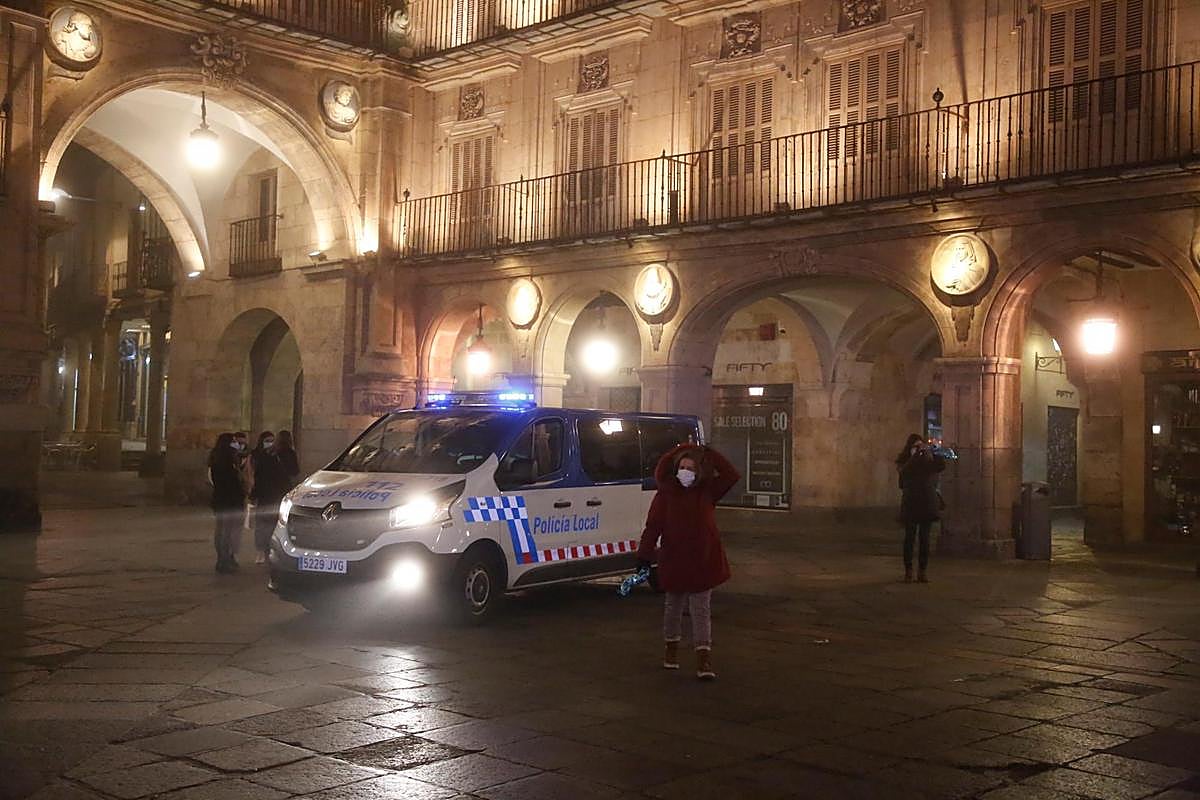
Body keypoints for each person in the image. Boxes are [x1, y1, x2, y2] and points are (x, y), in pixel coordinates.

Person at [637, 443, 740, 680]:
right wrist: (644, 554)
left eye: (690, 467)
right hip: (674, 557)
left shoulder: (707, 492)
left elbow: (731, 475)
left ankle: (704, 657)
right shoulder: (666, 493)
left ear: (698, 472)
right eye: (682, 467)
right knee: (673, 606)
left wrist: (709, 452)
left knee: (700, 609)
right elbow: (653, 526)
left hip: (702, 558)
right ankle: (671, 649)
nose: (685, 471)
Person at [896, 434, 947, 583]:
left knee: (925, 539)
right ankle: (908, 570)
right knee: (909, 538)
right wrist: (914, 457)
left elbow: (941, 466)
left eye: (920, 446)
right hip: (911, 502)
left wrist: (934, 451)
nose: (919, 450)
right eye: (915, 447)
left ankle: (922, 571)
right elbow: (902, 476)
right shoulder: (904, 461)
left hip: (927, 502)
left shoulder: (928, 460)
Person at [208, 432, 244, 574]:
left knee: (221, 529)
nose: (236, 443)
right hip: (230, 499)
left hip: (220, 499)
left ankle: (222, 558)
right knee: (227, 531)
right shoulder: (228, 462)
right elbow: (233, 482)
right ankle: (225, 559)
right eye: (233, 441)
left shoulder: (216, 459)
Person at [249, 431, 287, 565]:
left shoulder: (279, 457)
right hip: (265, 497)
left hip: (276, 497)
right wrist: (254, 495)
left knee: (272, 526)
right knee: (261, 526)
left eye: (272, 440)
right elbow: (258, 478)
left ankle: (269, 550)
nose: (270, 443)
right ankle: (260, 551)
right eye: (267, 440)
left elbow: (284, 477)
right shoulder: (260, 457)